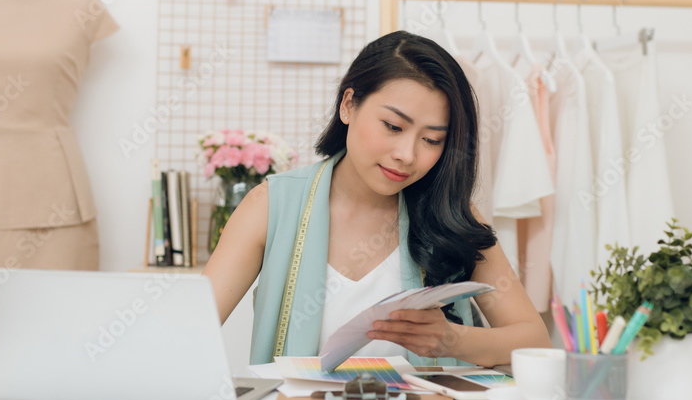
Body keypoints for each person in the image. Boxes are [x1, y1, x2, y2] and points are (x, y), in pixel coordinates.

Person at [203, 30, 551, 368]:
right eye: (393, 127)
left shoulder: (451, 215)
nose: (407, 155)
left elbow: (535, 340)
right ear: (349, 105)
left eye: (431, 140)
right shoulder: (270, 206)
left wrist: (452, 339)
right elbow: (189, 329)